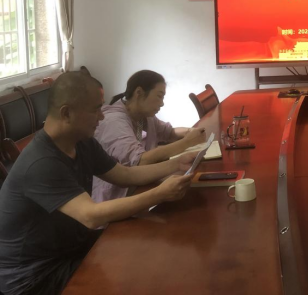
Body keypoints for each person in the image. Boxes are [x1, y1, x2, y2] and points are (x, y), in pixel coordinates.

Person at [0, 72, 195, 295]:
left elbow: (125, 175)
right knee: (136, 276)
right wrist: (160, 194)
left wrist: (177, 164)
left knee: (150, 246)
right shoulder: (41, 162)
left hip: (69, 248)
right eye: (95, 110)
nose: (102, 117)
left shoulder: (82, 143)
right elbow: (90, 216)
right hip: (33, 276)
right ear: (66, 113)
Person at [93, 70, 206, 202]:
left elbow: (168, 132)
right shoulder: (114, 121)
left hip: (142, 183)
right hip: (117, 196)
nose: (162, 103)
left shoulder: (144, 115)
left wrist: (190, 131)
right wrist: (186, 143)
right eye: (159, 96)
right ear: (139, 93)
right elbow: (139, 161)